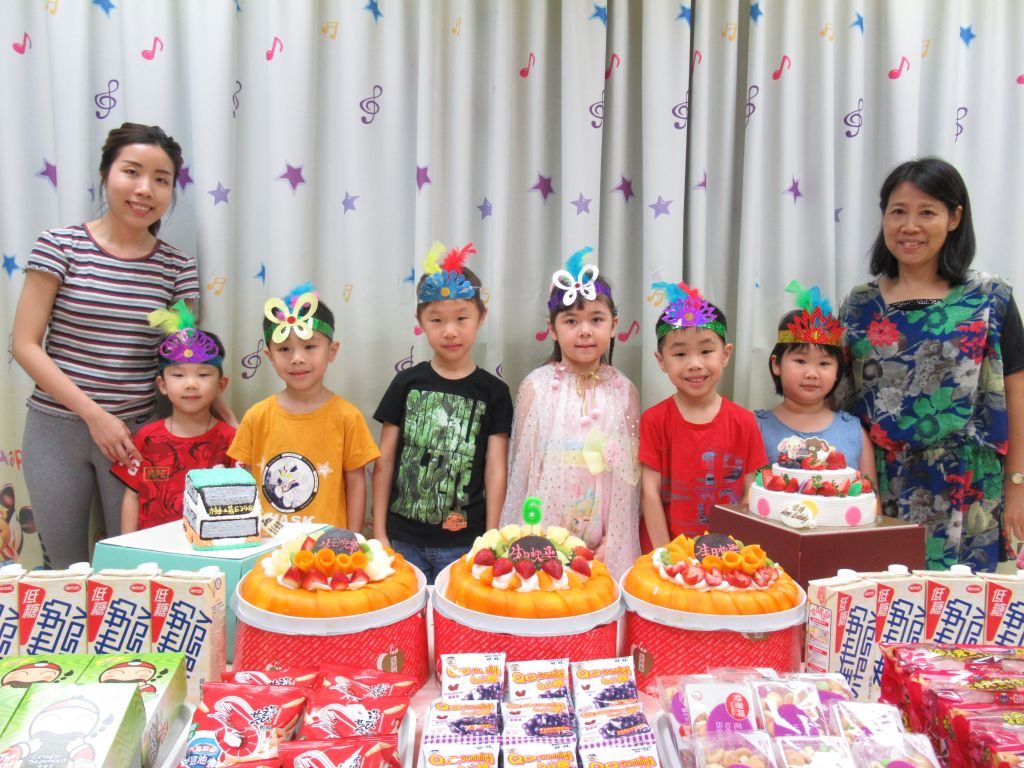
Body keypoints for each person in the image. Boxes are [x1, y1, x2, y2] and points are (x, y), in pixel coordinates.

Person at [12, 122, 199, 567]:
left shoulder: (177, 266)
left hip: (138, 436)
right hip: (56, 429)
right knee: (64, 567)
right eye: (131, 172)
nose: (145, 189)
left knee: (137, 564)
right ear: (105, 174)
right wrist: (95, 416)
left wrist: (220, 413)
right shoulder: (60, 246)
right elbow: (24, 344)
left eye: (161, 179)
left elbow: (184, 358)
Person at [837, 157, 1024, 572]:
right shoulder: (859, 304)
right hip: (876, 486)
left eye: (927, 212)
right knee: (875, 599)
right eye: (898, 212)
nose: (910, 226)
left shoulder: (990, 297)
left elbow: (1016, 392)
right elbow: (837, 399)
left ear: (954, 218)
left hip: (965, 487)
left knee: (956, 606)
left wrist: (1017, 486)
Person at [373, 243, 513, 583]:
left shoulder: (494, 392)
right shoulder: (406, 383)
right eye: (437, 320)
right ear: (420, 322)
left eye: (462, 318)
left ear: (481, 317)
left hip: (465, 541)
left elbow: (496, 469)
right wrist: (379, 531)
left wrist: (491, 536)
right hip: (403, 539)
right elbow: (384, 461)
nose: (450, 331)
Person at [499, 247, 640, 579]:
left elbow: (628, 477)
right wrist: (526, 532)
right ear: (552, 328)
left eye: (596, 319)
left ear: (614, 325)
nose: (585, 330)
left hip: (601, 533)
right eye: (571, 321)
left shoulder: (624, 391)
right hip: (543, 532)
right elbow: (523, 470)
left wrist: (615, 538)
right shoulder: (536, 387)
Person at [229, 284, 380, 530]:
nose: (297, 358)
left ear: (332, 351)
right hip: (268, 543)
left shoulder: (348, 417)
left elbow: (356, 482)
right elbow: (245, 481)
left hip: (326, 545)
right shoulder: (256, 416)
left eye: (309, 346)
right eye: (284, 349)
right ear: (270, 356)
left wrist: (352, 538)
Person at [639, 282, 768, 552]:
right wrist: (666, 556)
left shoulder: (745, 422)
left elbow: (752, 491)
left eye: (706, 351)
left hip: (730, 554)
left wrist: (739, 554)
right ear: (661, 361)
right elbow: (649, 493)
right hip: (668, 554)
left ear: (725, 354)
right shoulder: (654, 420)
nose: (694, 364)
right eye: (680, 354)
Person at [111, 302, 234, 532]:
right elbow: (132, 496)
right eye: (178, 375)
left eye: (203, 375)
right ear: (162, 385)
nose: (190, 384)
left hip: (210, 546)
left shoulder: (231, 440)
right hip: (152, 549)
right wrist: (126, 545)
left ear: (221, 384)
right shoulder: (146, 438)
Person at [756, 281, 875, 481]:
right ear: (776, 364)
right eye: (800, 361)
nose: (812, 373)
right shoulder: (754, 428)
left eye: (824, 363)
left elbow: (871, 496)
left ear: (838, 371)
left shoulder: (855, 432)